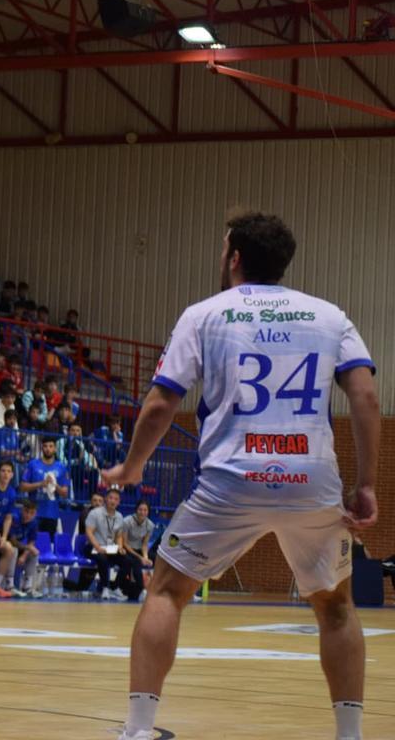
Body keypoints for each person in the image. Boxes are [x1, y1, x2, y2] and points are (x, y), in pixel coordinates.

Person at [104, 213, 380, 740]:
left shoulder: (204, 314)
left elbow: (164, 402)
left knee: (166, 591)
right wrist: (367, 484)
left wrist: (133, 466)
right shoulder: (328, 315)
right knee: (336, 606)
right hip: (312, 481)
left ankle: (139, 729)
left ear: (234, 256)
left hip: (229, 480)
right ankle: (350, 735)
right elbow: (365, 397)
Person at [85, 485, 129, 601]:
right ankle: (105, 588)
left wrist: (120, 547)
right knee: (102, 558)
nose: (113, 501)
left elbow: (119, 536)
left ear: (119, 502)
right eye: (110, 498)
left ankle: (114, 588)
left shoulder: (119, 516)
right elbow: (89, 532)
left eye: (116, 499)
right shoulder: (95, 513)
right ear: (106, 499)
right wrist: (98, 547)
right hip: (92, 546)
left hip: (109, 548)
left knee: (127, 561)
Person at [19, 438, 69, 536]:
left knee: (48, 546)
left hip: (51, 514)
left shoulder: (61, 467)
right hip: (33, 513)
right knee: (31, 544)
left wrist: (54, 484)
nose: (48, 449)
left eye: (51, 446)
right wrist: (41, 484)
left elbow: (64, 493)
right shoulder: (33, 464)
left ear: (55, 449)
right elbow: (22, 487)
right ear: (42, 448)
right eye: (45, 446)